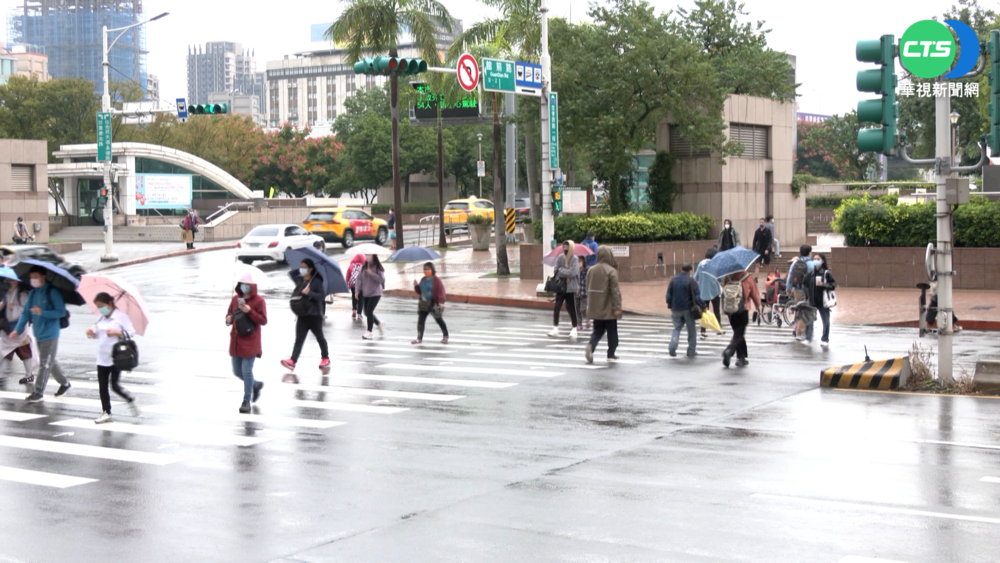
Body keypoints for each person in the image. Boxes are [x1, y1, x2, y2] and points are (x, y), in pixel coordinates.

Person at [10, 266, 69, 403]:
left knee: (45, 363)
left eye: (35, 277)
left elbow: (60, 312)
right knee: (49, 360)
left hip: (50, 333)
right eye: (31, 278)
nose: (33, 280)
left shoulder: (52, 293)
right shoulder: (33, 294)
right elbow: (25, 313)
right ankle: (65, 383)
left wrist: (42, 312)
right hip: (39, 332)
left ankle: (38, 392)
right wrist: (16, 330)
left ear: (43, 277)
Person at [86, 292, 140, 423]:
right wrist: (91, 333)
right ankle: (106, 412)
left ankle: (130, 399)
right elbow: (98, 335)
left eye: (102, 306)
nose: (100, 309)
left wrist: (117, 332)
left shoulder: (121, 317)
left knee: (114, 385)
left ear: (109, 303)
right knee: (102, 386)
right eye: (98, 307)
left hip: (117, 357)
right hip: (102, 357)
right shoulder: (101, 318)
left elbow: (131, 333)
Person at [227, 274, 267, 414]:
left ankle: (246, 400)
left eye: (247, 284)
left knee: (246, 370)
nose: (244, 287)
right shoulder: (235, 300)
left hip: (251, 340)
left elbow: (263, 320)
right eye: (242, 284)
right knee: (237, 371)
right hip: (236, 340)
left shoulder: (259, 301)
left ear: (252, 286)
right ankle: (255, 385)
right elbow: (229, 317)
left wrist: (250, 311)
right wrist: (228, 319)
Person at [281, 259, 330, 372]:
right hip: (302, 314)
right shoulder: (300, 280)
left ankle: (325, 358)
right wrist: (302, 271)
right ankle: (292, 361)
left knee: (320, 337)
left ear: (310, 269)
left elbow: (321, 296)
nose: (301, 269)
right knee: (299, 339)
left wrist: (309, 293)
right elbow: (291, 273)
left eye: (304, 267)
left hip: (314, 315)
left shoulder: (316, 281)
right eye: (300, 267)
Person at [584, 247, 622, 364]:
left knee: (598, 330)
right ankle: (611, 353)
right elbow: (615, 291)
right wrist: (617, 307)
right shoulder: (611, 271)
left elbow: (587, 288)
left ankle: (591, 345)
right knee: (612, 332)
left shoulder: (591, 270)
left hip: (595, 307)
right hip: (608, 307)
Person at [721, 270, 761, 368]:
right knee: (739, 333)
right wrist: (758, 306)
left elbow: (725, 292)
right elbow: (754, 293)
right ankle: (730, 351)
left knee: (737, 333)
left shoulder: (728, 276)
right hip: (743, 308)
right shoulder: (747, 276)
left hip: (731, 309)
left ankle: (741, 357)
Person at [0, 278, 36, 385]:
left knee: (23, 351)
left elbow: (27, 311)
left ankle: (29, 374)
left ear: (16, 282)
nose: (8, 283)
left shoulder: (23, 295)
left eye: (10, 281)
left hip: (20, 328)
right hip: (8, 327)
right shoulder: (7, 294)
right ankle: (1, 374)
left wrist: (13, 307)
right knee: (7, 350)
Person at [666, 263, 704, 357]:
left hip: (676, 309)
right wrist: (703, 306)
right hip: (688, 309)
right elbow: (697, 296)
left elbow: (668, 295)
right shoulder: (691, 280)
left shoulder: (673, 279)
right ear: (690, 271)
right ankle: (691, 351)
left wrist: (670, 305)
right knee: (691, 331)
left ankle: (672, 347)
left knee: (677, 328)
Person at [787, 245, 822, 344]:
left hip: (796, 290)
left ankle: (800, 330)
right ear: (809, 253)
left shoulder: (795, 263)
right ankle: (800, 332)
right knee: (805, 311)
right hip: (806, 291)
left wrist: (788, 288)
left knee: (799, 310)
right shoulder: (811, 264)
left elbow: (790, 276)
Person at [548, 240, 581, 339]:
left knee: (572, 308)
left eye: (567, 246)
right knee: (557, 307)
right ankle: (555, 327)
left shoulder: (574, 259)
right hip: (561, 287)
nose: (565, 248)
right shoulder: (560, 258)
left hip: (570, 288)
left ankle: (574, 328)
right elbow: (556, 270)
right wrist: (565, 271)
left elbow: (573, 272)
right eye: (564, 246)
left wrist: (562, 271)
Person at [412, 262, 449, 344]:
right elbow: (420, 291)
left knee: (439, 320)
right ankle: (419, 338)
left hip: (433, 303)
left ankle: (445, 335)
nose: (426, 271)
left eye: (428, 269)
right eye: (425, 269)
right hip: (423, 303)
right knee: (421, 321)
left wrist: (441, 302)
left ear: (432, 269)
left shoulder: (436, 280)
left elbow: (441, 291)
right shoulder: (423, 279)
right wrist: (416, 286)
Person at [694, 246, 723, 338]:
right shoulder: (715, 264)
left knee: (703, 311)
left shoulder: (700, 264)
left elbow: (695, 278)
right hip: (715, 291)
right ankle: (718, 329)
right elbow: (721, 278)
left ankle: (703, 331)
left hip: (702, 291)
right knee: (716, 310)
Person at [359, 255, 386, 340]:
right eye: (366, 255)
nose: (367, 257)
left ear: (374, 256)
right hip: (366, 292)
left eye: (369, 255)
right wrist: (357, 291)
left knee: (369, 311)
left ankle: (369, 331)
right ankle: (378, 323)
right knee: (366, 313)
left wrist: (371, 273)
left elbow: (382, 280)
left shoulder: (378, 267)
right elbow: (359, 279)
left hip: (376, 292)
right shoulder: (364, 266)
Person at [813, 253, 837, 347]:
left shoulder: (826, 272)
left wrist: (824, 285)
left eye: (818, 259)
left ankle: (825, 338)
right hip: (813, 300)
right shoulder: (812, 272)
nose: (816, 260)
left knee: (825, 320)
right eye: (814, 259)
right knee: (809, 318)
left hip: (823, 300)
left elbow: (833, 285)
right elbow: (806, 283)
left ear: (822, 261)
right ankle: (807, 336)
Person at [577, 232, 599, 330]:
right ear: (593, 237)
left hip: (582, 267)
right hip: (591, 267)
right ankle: (586, 319)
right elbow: (597, 255)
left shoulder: (582, 243)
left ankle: (582, 321)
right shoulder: (594, 244)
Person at [346, 254, 367, 320]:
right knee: (361, 298)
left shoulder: (351, 266)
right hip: (361, 285)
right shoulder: (364, 267)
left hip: (353, 285)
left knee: (354, 297)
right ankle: (359, 314)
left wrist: (347, 283)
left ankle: (354, 309)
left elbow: (347, 276)